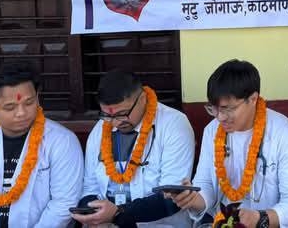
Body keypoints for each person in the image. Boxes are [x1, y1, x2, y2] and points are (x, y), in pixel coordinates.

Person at [170, 59, 288, 228]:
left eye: (228, 109)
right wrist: (193, 199)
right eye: (214, 108)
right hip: (223, 222)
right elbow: (205, 183)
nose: (220, 117)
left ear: (253, 99)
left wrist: (259, 219)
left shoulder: (285, 134)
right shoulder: (212, 130)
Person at [71, 69, 195, 227]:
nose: (116, 122)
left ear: (142, 99)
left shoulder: (174, 124)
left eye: (122, 113)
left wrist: (118, 213)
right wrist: (91, 212)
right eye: (108, 115)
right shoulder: (101, 129)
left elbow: (172, 197)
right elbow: (90, 188)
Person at [0, 61, 84, 227]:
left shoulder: (62, 141)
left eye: (29, 103)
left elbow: (63, 204)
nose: (21, 113)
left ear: (37, 99)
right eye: (10, 107)